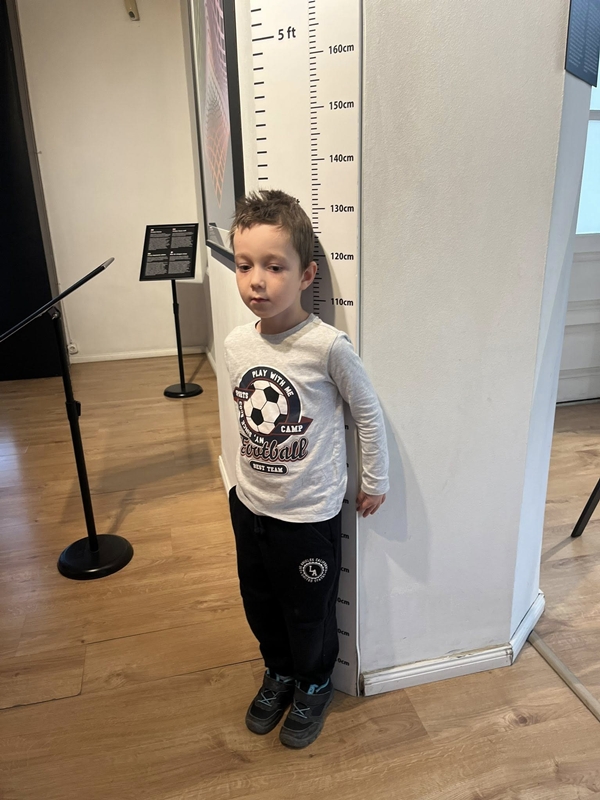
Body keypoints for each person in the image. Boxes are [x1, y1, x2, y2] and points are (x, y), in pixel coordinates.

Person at [224, 189, 389, 749]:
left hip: (307, 513)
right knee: (259, 600)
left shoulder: (326, 347)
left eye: (275, 266)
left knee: (308, 611)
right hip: (250, 506)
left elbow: (367, 412)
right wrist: (238, 483)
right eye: (245, 265)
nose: (257, 281)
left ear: (306, 275)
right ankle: (278, 671)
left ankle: (313, 683)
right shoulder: (235, 345)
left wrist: (375, 479)